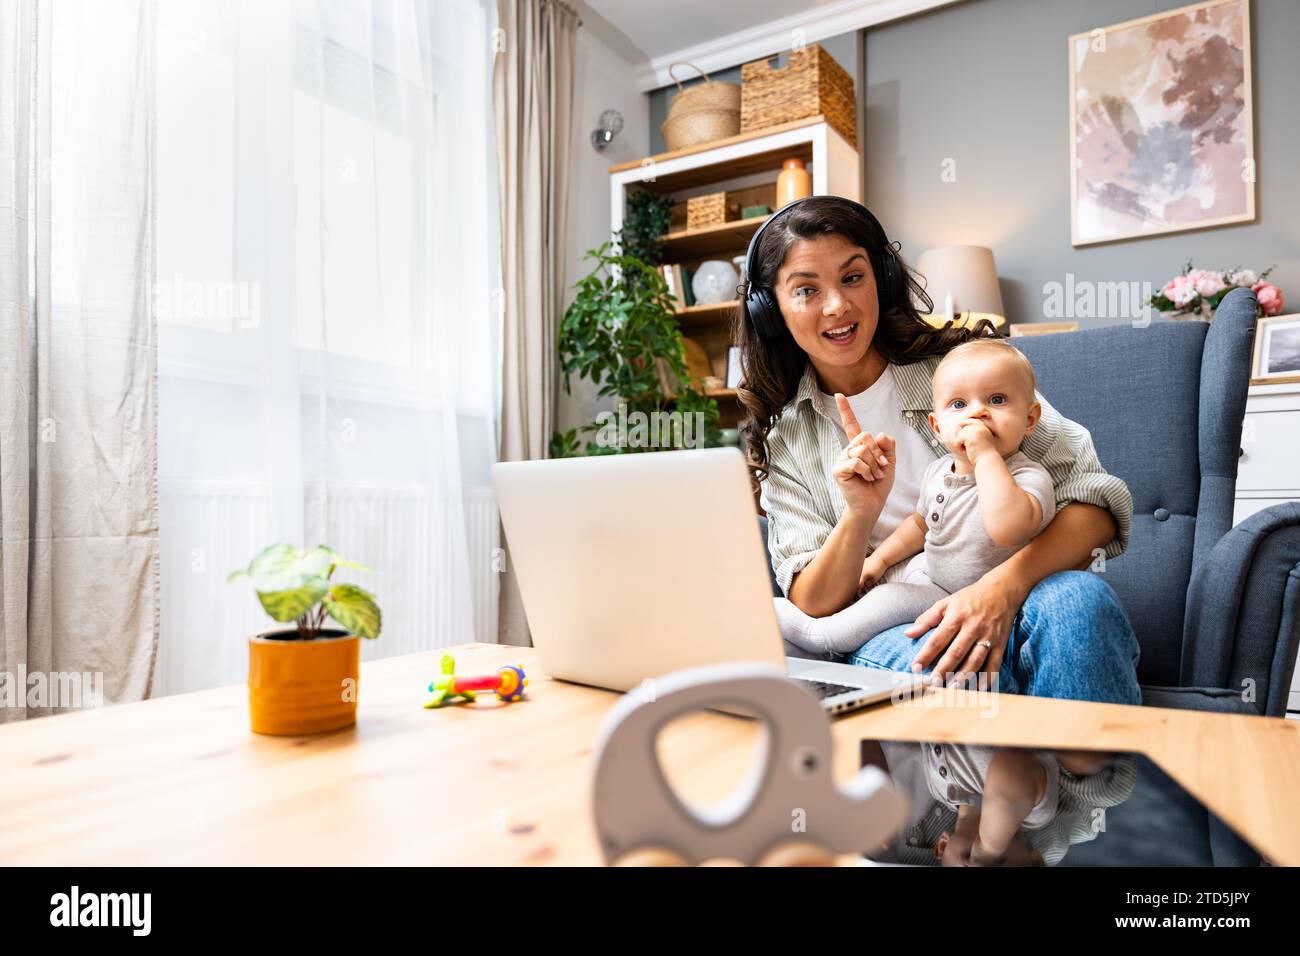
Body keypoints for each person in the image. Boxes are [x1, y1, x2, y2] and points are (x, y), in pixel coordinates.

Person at [736, 195, 1141, 702]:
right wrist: (859, 514)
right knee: (952, 667)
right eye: (806, 290)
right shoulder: (787, 437)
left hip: (1029, 587)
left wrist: (999, 590)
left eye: (853, 277)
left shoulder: (965, 372)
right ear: (771, 310)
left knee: (1080, 605)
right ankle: (1018, 776)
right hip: (903, 615)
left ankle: (1100, 780)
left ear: (880, 279)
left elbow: (1095, 502)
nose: (837, 305)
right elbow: (814, 602)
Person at [773, 338, 1055, 663]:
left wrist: (987, 457)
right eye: (959, 405)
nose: (977, 413)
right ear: (937, 426)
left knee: (886, 602)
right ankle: (808, 644)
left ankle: (819, 638)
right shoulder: (938, 471)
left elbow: (1008, 530)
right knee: (882, 592)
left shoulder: (1030, 478)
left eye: (997, 399)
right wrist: (878, 561)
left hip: (970, 595)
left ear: (1031, 418)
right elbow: (919, 524)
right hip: (930, 577)